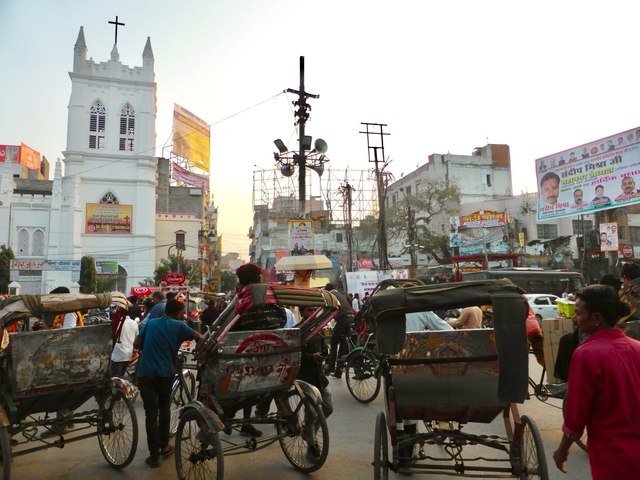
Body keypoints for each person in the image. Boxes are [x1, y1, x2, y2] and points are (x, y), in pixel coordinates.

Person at [552, 285, 640, 478]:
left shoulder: (586, 355)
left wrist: (562, 450)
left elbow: (576, 415)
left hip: (613, 456)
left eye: (578, 313)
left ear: (596, 318)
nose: (574, 318)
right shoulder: (637, 348)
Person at [134, 299, 203, 468]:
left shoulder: (152, 322)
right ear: (178, 313)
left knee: (150, 413)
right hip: (166, 373)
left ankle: (154, 456)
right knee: (164, 408)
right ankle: (164, 446)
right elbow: (199, 337)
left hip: (145, 373)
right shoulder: (179, 326)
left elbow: (136, 343)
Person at [323, 283, 355, 379]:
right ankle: (338, 372)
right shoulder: (341, 294)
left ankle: (331, 367)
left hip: (343, 319)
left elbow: (327, 312)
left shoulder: (329, 296)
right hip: (351, 318)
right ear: (335, 288)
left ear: (327, 290)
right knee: (343, 342)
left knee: (333, 342)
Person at [110, 313, 138, 378]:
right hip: (128, 353)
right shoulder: (134, 323)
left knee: (116, 377)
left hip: (118, 354)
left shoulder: (118, 324)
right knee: (121, 375)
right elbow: (136, 337)